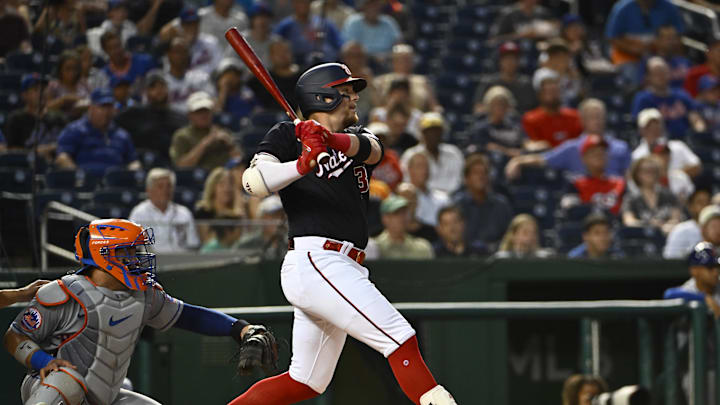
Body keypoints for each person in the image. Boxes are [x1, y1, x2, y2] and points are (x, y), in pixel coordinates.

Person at [231, 62, 458, 405]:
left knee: (306, 382)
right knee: (399, 337)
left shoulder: (357, 136)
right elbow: (253, 182)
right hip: (317, 259)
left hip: (343, 264)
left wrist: (326, 140)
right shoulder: (287, 135)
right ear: (322, 96)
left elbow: (373, 152)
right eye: (346, 92)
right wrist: (302, 163)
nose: (354, 98)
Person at [3, 218, 270, 405]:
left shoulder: (145, 294)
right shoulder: (65, 292)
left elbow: (189, 316)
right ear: (104, 254)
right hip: (51, 390)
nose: (136, 258)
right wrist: (42, 362)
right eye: (127, 252)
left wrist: (240, 328)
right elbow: (14, 337)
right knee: (67, 381)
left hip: (105, 396)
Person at [505, 98, 631, 179]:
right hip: (583, 197)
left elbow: (630, 176)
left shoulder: (620, 147)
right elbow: (543, 159)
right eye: (591, 117)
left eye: (599, 116)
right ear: (582, 120)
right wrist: (518, 161)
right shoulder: (572, 147)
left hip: (614, 196)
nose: (596, 120)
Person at [55, 88, 141, 176]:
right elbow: (63, 157)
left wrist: (134, 170)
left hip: (114, 185)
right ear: (91, 108)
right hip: (84, 185)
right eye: (102, 106)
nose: (107, 111)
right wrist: (77, 175)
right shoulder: (75, 130)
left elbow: (133, 161)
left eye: (110, 106)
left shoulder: (122, 135)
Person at [115, 70, 188, 166]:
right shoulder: (133, 113)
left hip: (171, 166)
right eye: (153, 87)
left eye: (162, 86)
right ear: (146, 92)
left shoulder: (180, 117)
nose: (158, 90)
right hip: (141, 166)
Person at [631, 57, 705, 139]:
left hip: (684, 142)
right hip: (657, 142)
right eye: (657, 73)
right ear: (648, 77)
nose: (661, 76)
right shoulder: (643, 99)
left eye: (664, 72)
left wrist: (700, 132)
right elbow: (640, 126)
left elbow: (695, 118)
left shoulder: (681, 94)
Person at [453, 153, 513, 253]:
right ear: (466, 179)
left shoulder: (501, 205)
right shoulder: (457, 205)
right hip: (464, 258)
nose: (481, 176)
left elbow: (509, 236)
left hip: (495, 258)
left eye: (484, 172)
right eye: (476, 173)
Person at [129, 168, 200, 252]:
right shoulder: (138, 213)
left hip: (181, 261)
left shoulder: (184, 213)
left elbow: (193, 244)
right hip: (150, 263)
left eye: (169, 186)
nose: (165, 190)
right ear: (149, 190)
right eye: (160, 186)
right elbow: (131, 246)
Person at [169, 91, 242, 172]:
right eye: (199, 112)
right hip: (197, 179)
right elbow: (181, 165)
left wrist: (230, 144)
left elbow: (239, 160)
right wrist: (206, 142)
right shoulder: (182, 136)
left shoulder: (223, 132)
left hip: (225, 176)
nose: (203, 115)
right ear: (190, 115)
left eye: (206, 111)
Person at [560, 135, 626, 216]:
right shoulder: (575, 184)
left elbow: (628, 210)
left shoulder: (619, 183)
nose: (599, 155)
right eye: (594, 153)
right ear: (584, 158)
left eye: (602, 152)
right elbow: (570, 210)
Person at [400, 112, 464, 194]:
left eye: (437, 130)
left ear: (442, 132)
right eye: (429, 131)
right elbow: (407, 182)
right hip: (422, 199)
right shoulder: (411, 155)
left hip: (452, 198)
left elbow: (460, 180)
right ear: (421, 133)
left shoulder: (454, 153)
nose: (433, 134)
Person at [604, 0, 684, 65]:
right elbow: (612, 38)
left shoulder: (669, 7)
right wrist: (635, 49)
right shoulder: (622, 7)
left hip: (661, 56)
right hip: (627, 56)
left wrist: (667, 44)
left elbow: (678, 36)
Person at [631, 108, 701, 178]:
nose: (653, 128)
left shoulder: (678, 146)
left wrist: (673, 176)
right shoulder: (637, 156)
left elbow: (696, 166)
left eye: (656, 124)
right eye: (649, 126)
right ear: (641, 130)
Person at [622, 156, 683, 234]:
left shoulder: (668, 195)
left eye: (653, 171)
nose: (649, 174)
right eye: (645, 171)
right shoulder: (631, 198)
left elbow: (676, 218)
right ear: (637, 174)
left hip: (667, 236)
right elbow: (629, 221)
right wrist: (650, 225)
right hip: (642, 237)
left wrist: (667, 226)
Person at [522, 71, 583, 149]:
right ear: (540, 95)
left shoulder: (575, 116)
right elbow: (532, 145)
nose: (554, 96)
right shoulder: (531, 119)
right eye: (549, 92)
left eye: (556, 91)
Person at [273, 0, 344, 66]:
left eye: (305, 1)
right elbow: (275, 47)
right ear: (293, 4)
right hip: (298, 69)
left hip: (327, 65)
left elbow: (340, 46)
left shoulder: (324, 23)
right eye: (299, 2)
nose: (303, 5)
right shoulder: (285, 26)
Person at [472, 42, 536, 115]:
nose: (510, 62)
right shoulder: (489, 82)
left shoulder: (526, 84)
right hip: (493, 124)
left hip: (520, 124)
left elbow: (534, 110)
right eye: (506, 58)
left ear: (518, 61)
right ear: (500, 61)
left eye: (513, 58)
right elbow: (478, 108)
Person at [374, 44, 440, 112]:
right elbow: (376, 106)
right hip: (388, 118)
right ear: (393, 61)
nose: (404, 62)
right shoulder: (381, 81)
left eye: (408, 59)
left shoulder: (422, 81)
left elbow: (434, 106)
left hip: (418, 119)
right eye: (400, 59)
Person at [86, 0, 162, 58]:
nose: (122, 13)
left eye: (124, 10)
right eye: (117, 10)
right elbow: (99, 56)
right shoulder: (96, 33)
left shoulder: (130, 27)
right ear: (109, 13)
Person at [465, 85, 525, 158]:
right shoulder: (480, 128)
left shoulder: (515, 127)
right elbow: (489, 148)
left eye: (503, 104)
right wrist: (508, 151)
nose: (500, 108)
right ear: (489, 106)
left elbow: (523, 144)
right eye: (496, 104)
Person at [664, 241, 720, 319]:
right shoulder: (689, 289)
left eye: (717, 267)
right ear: (694, 270)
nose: (716, 272)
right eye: (710, 267)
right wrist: (703, 298)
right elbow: (669, 294)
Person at [163, 37, 215, 113]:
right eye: (177, 51)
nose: (181, 55)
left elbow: (212, 103)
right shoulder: (161, 81)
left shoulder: (201, 78)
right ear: (168, 54)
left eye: (184, 52)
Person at [247, 39, 302, 112]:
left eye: (285, 51)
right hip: (269, 121)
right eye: (278, 52)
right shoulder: (262, 79)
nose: (282, 55)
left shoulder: (304, 76)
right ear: (271, 56)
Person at [372, 195, 434, 259]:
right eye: (396, 213)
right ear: (385, 218)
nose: (402, 217)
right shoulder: (374, 247)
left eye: (404, 213)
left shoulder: (422, 248)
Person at [195, 166, 246, 242]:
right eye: (222, 184)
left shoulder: (237, 212)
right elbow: (207, 241)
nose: (227, 188)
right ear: (213, 187)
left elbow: (243, 239)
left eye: (230, 184)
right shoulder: (203, 211)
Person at [223, 3, 279, 68]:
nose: (262, 21)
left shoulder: (276, 42)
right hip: (243, 77)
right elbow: (228, 62)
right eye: (258, 17)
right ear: (252, 20)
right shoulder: (240, 39)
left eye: (266, 17)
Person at [403, 150, 450, 227]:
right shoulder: (404, 195)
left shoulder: (442, 198)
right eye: (419, 166)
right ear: (409, 169)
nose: (424, 170)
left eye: (426, 166)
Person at [235, 195, 288, 260]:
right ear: (262, 218)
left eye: (281, 216)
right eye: (274, 216)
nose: (279, 220)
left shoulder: (290, 245)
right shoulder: (247, 245)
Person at [663, 189, 712, 258]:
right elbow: (670, 260)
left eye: (708, 203)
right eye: (700, 203)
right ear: (691, 207)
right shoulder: (681, 230)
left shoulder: (717, 229)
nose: (705, 206)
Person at [46, 50, 91, 116]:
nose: (72, 72)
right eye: (68, 68)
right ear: (60, 69)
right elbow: (47, 107)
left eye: (75, 68)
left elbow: (93, 102)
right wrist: (65, 99)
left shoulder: (83, 83)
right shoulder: (53, 86)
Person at [490, 0, 559, 42]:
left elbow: (555, 35)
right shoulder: (508, 14)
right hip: (514, 53)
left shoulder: (544, 13)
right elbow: (494, 40)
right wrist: (522, 35)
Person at [216, 58, 258, 122]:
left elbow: (259, 110)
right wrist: (223, 91)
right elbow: (216, 113)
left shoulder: (247, 93)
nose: (231, 78)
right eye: (227, 75)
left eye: (234, 75)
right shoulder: (215, 95)